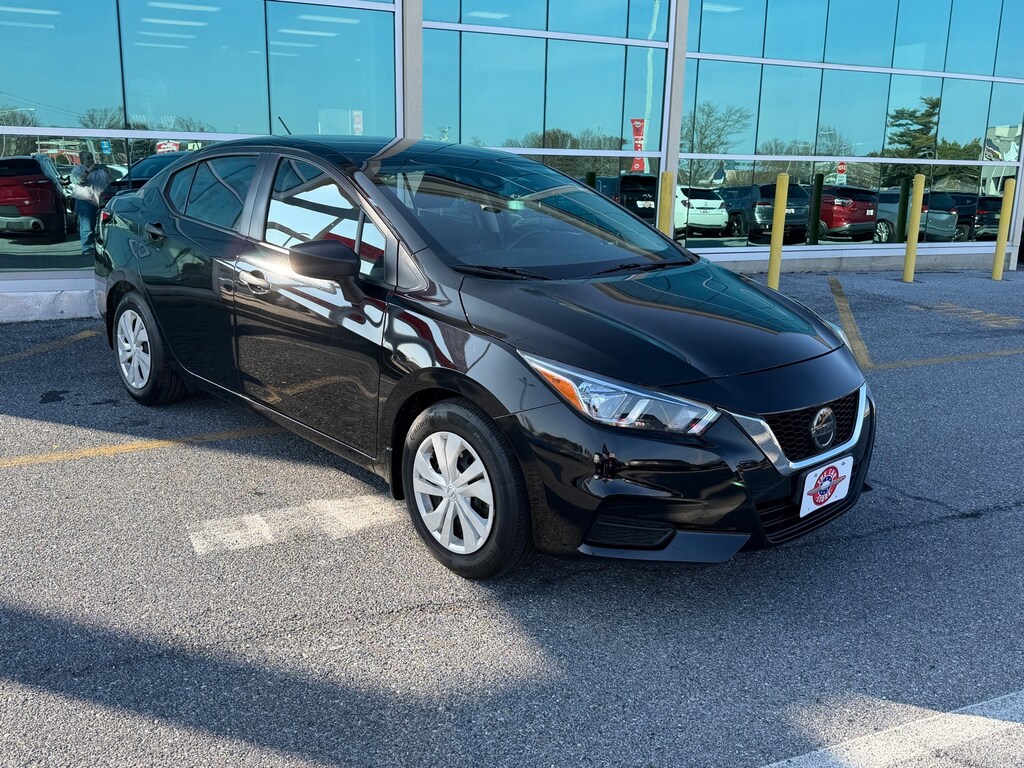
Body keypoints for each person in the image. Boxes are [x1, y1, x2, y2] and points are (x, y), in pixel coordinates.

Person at [70, 151, 110, 259]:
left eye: (91, 158)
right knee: (87, 226)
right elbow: (77, 180)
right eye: (88, 158)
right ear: (82, 160)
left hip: (101, 202)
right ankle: (88, 249)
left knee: (104, 226)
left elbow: (109, 182)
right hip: (85, 201)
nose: (90, 160)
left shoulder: (100, 170)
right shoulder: (78, 169)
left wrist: (106, 171)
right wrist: (88, 171)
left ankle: (103, 248)